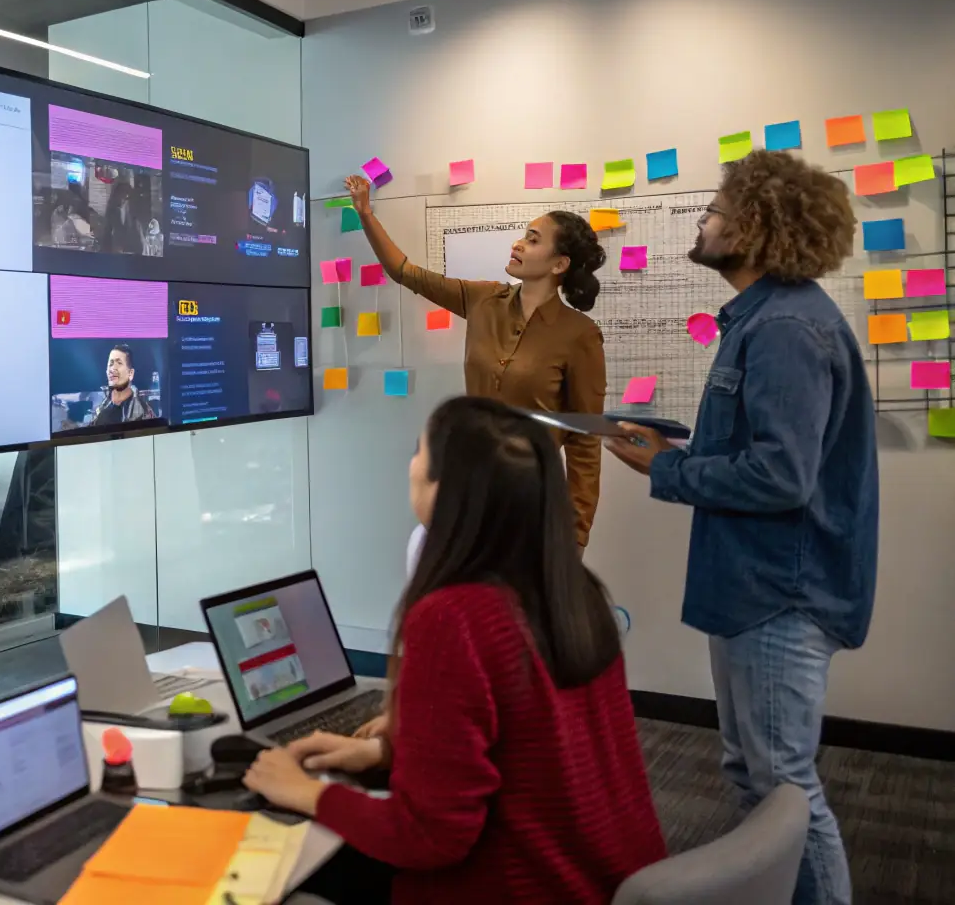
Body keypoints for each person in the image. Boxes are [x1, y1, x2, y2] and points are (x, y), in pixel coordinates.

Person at [243, 397, 666, 904]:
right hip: (598, 883)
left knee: (272, 881)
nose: (410, 464)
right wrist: (386, 752)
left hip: (516, 887)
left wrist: (307, 792)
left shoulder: (454, 619)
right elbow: (535, 751)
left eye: (419, 450)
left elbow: (429, 837)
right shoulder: (574, 591)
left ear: (448, 490)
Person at [606, 150, 876, 905]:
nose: (703, 222)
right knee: (752, 774)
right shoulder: (764, 319)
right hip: (754, 586)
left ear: (754, 225)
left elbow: (779, 478)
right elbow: (768, 457)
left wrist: (665, 469)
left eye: (714, 212)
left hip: (777, 594)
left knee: (784, 792)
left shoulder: (786, 327)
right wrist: (670, 452)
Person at [345, 174, 607, 550]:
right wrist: (365, 212)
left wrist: (576, 536)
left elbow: (585, 441)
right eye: (523, 235)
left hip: (531, 502)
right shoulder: (484, 300)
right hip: (470, 488)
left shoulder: (580, 334)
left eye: (533, 240)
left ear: (558, 264)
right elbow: (404, 272)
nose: (518, 244)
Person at [89, 343, 156, 426]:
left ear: (130, 373)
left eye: (119, 363)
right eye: (111, 364)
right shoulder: (100, 409)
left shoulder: (143, 413)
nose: (113, 368)